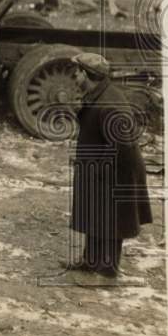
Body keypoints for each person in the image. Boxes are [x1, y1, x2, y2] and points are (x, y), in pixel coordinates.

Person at [66, 52, 153, 279]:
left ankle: (107, 271)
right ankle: (91, 260)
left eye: (76, 73)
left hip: (117, 171)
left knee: (111, 220)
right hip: (103, 168)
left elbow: (122, 147)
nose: (74, 77)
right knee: (96, 213)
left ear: (86, 74)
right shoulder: (98, 93)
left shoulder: (110, 105)